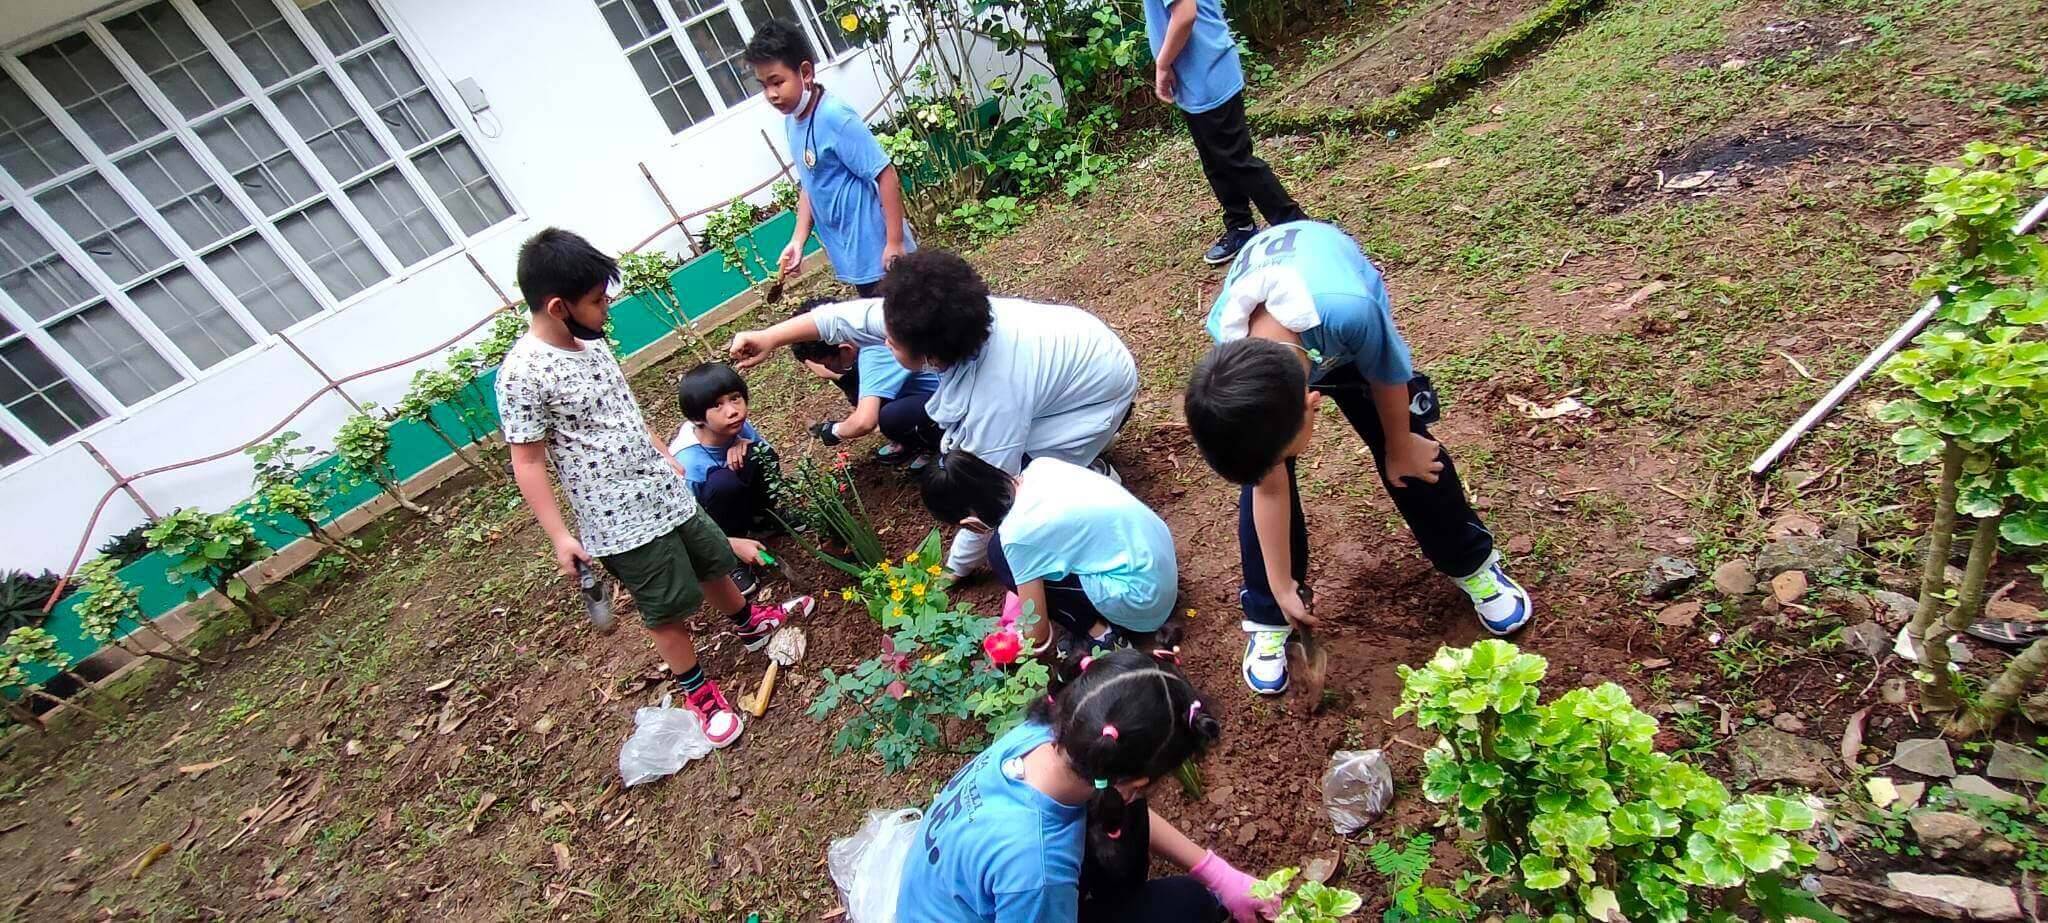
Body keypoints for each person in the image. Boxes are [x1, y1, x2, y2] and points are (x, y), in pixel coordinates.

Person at [1183, 220, 1531, 696]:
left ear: (1313, 403)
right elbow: (1268, 483)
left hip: (1336, 326)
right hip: (1289, 343)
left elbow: (1388, 374)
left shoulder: (1353, 312)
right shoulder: (1233, 346)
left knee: (1409, 447)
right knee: (1262, 476)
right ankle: (1269, 608)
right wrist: (1283, 583)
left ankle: (1471, 561)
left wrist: (1399, 446)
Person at [497, 228, 812, 749]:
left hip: (664, 491)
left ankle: (749, 623)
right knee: (665, 605)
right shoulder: (522, 374)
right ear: (558, 306)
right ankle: (698, 690)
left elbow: (626, 414)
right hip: (619, 518)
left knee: (712, 559)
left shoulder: (591, 346)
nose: (606, 310)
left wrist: (667, 459)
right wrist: (559, 536)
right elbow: (527, 461)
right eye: (597, 301)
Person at [728, 250, 1138, 577]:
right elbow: (840, 319)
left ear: (932, 355)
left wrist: (953, 571)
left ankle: (1091, 477)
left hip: (1094, 401)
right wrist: (769, 337)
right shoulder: (933, 316)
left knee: (1013, 520)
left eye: (890, 341)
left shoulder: (997, 390)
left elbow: (988, 490)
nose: (880, 341)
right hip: (1068, 378)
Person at [896, 649, 1272, 923]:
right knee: (1190, 905)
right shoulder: (1038, 871)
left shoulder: (1042, 736)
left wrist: (1218, 873)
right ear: (1136, 784)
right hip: (1012, 893)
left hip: (953, 896)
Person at [919, 450, 1177, 655]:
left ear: (969, 523)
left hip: (1145, 599)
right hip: (1158, 560)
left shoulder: (1017, 537)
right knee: (1006, 556)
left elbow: (1038, 633)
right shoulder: (1041, 467)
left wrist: (1016, 640)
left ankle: (1104, 636)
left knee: (1000, 557)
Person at [746, 19, 912, 297]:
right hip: (854, 257)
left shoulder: (834, 116)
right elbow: (809, 184)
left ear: (806, 72)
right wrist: (798, 241)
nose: (771, 94)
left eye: (777, 82)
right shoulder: (792, 121)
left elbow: (885, 174)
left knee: (909, 331)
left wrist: (894, 243)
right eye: (763, 86)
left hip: (881, 254)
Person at [1142, 0, 1305, 265]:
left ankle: (1297, 226)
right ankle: (1240, 226)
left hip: (1209, 74)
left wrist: (1162, 65)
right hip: (1195, 79)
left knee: (1236, 160)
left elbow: (1184, 15)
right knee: (1215, 161)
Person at [787, 297, 942, 468]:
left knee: (890, 417)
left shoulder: (874, 353)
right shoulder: (862, 331)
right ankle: (918, 437)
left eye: (826, 363)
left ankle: (937, 442)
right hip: (929, 390)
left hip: (945, 396)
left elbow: (864, 422)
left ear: (844, 349)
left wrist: (833, 431)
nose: (825, 368)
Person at [673, 362, 779, 597]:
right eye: (717, 406)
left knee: (762, 455)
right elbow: (687, 526)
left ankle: (763, 520)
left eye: (735, 398)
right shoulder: (687, 463)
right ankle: (728, 560)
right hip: (709, 524)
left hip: (737, 503)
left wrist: (747, 444)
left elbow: (769, 459)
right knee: (722, 483)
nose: (732, 411)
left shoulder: (737, 427)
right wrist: (727, 543)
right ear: (697, 418)